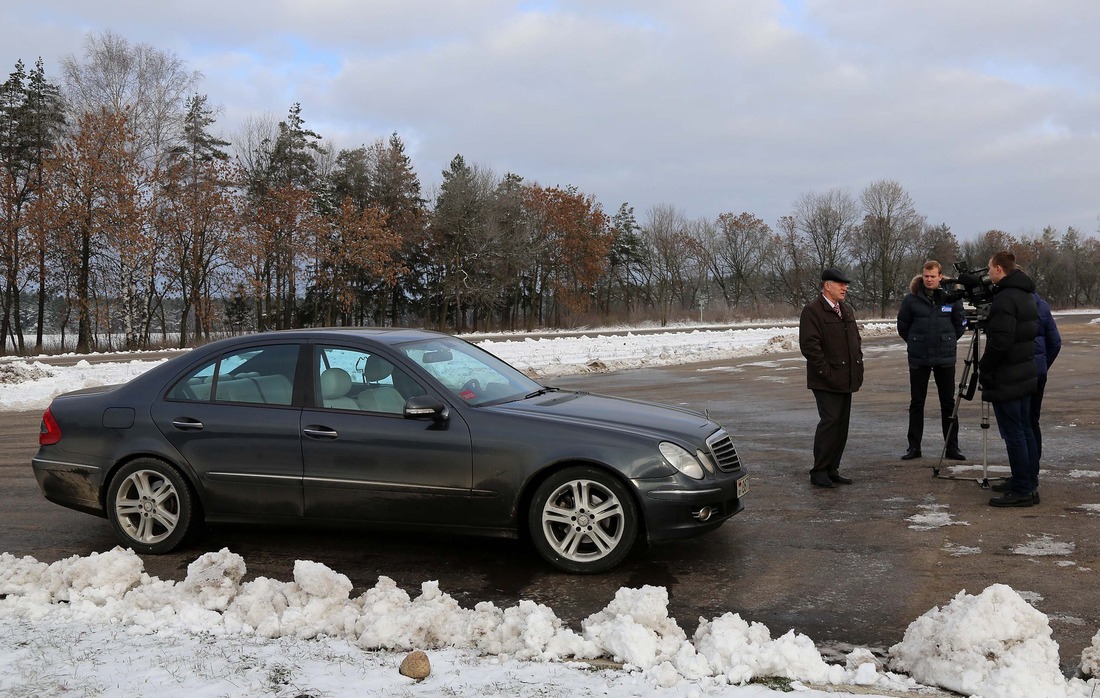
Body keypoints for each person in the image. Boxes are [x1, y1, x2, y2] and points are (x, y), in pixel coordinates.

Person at [978, 251, 1039, 507]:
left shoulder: (1005, 299)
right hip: (1023, 372)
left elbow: (1001, 341)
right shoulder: (1025, 294)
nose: (988, 272)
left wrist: (985, 366)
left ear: (1000, 269)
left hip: (1008, 375)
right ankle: (1026, 481)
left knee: (1015, 433)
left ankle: (1023, 490)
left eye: (990, 267)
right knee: (1025, 430)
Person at [896, 261, 968, 461]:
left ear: (940, 277)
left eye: (932, 276)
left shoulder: (951, 299)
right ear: (922, 276)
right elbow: (903, 326)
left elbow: (960, 325)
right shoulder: (911, 300)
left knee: (948, 403)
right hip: (919, 357)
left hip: (945, 357)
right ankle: (914, 447)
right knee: (917, 402)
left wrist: (947, 340)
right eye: (926, 276)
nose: (929, 280)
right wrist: (915, 341)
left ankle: (952, 447)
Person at [799, 267, 864, 488]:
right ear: (827, 286)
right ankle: (819, 471)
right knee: (830, 423)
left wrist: (858, 366)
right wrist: (825, 372)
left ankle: (832, 468)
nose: (845, 288)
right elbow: (810, 347)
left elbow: (856, 341)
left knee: (841, 425)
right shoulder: (813, 311)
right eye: (840, 284)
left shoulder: (845, 310)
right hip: (826, 380)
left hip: (846, 378)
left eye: (845, 285)